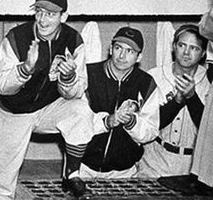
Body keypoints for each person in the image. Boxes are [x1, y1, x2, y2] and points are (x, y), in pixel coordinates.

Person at [0, 0, 94, 200]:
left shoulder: (73, 40)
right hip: (13, 112)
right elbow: (1, 86)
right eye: (39, 12)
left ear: (64, 16)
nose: (43, 20)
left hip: (47, 108)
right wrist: (25, 69)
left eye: (51, 14)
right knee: (3, 183)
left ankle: (71, 173)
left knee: (81, 110)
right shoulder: (17, 37)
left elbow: (76, 92)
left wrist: (68, 78)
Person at [81, 27, 159, 179]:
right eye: (118, 48)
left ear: (139, 57)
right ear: (110, 49)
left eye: (130, 51)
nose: (122, 56)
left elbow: (151, 131)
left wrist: (131, 122)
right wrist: (107, 121)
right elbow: (74, 121)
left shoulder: (146, 83)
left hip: (123, 171)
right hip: (82, 166)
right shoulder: (88, 74)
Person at [138, 24, 210, 179]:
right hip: (154, 160)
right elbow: (148, 124)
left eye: (194, 48)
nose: (186, 52)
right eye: (182, 45)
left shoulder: (209, 82)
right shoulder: (154, 76)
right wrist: (177, 100)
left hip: (191, 165)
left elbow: (208, 130)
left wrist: (191, 97)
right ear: (173, 46)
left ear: (203, 53)